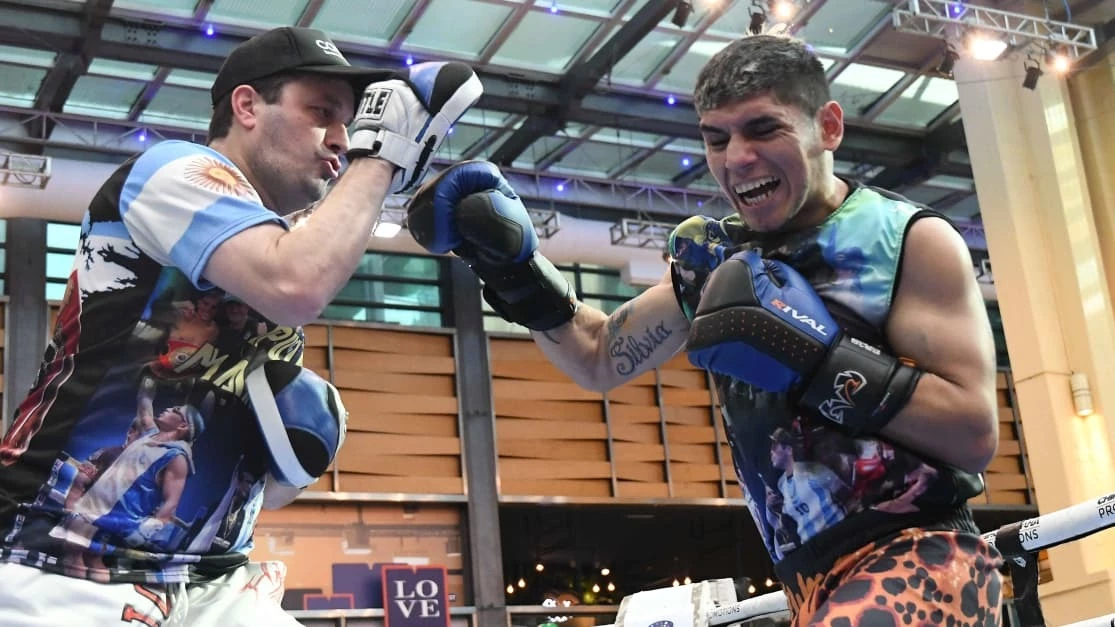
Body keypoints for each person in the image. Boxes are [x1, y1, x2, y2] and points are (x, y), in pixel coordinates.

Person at [407, 34, 1003, 627]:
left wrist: (819, 361)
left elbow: (973, 433)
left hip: (925, 561)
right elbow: (597, 354)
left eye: (763, 129)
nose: (736, 158)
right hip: (809, 586)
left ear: (828, 127)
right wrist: (516, 271)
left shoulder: (903, 238)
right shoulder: (719, 266)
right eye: (716, 138)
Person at [0, 25, 481, 626]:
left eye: (351, 123)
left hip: (215, 577)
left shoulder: (286, 239)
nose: (341, 137)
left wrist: (297, 445)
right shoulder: (172, 171)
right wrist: (380, 156)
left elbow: (264, 491)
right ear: (247, 105)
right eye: (322, 113)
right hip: (65, 566)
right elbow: (295, 283)